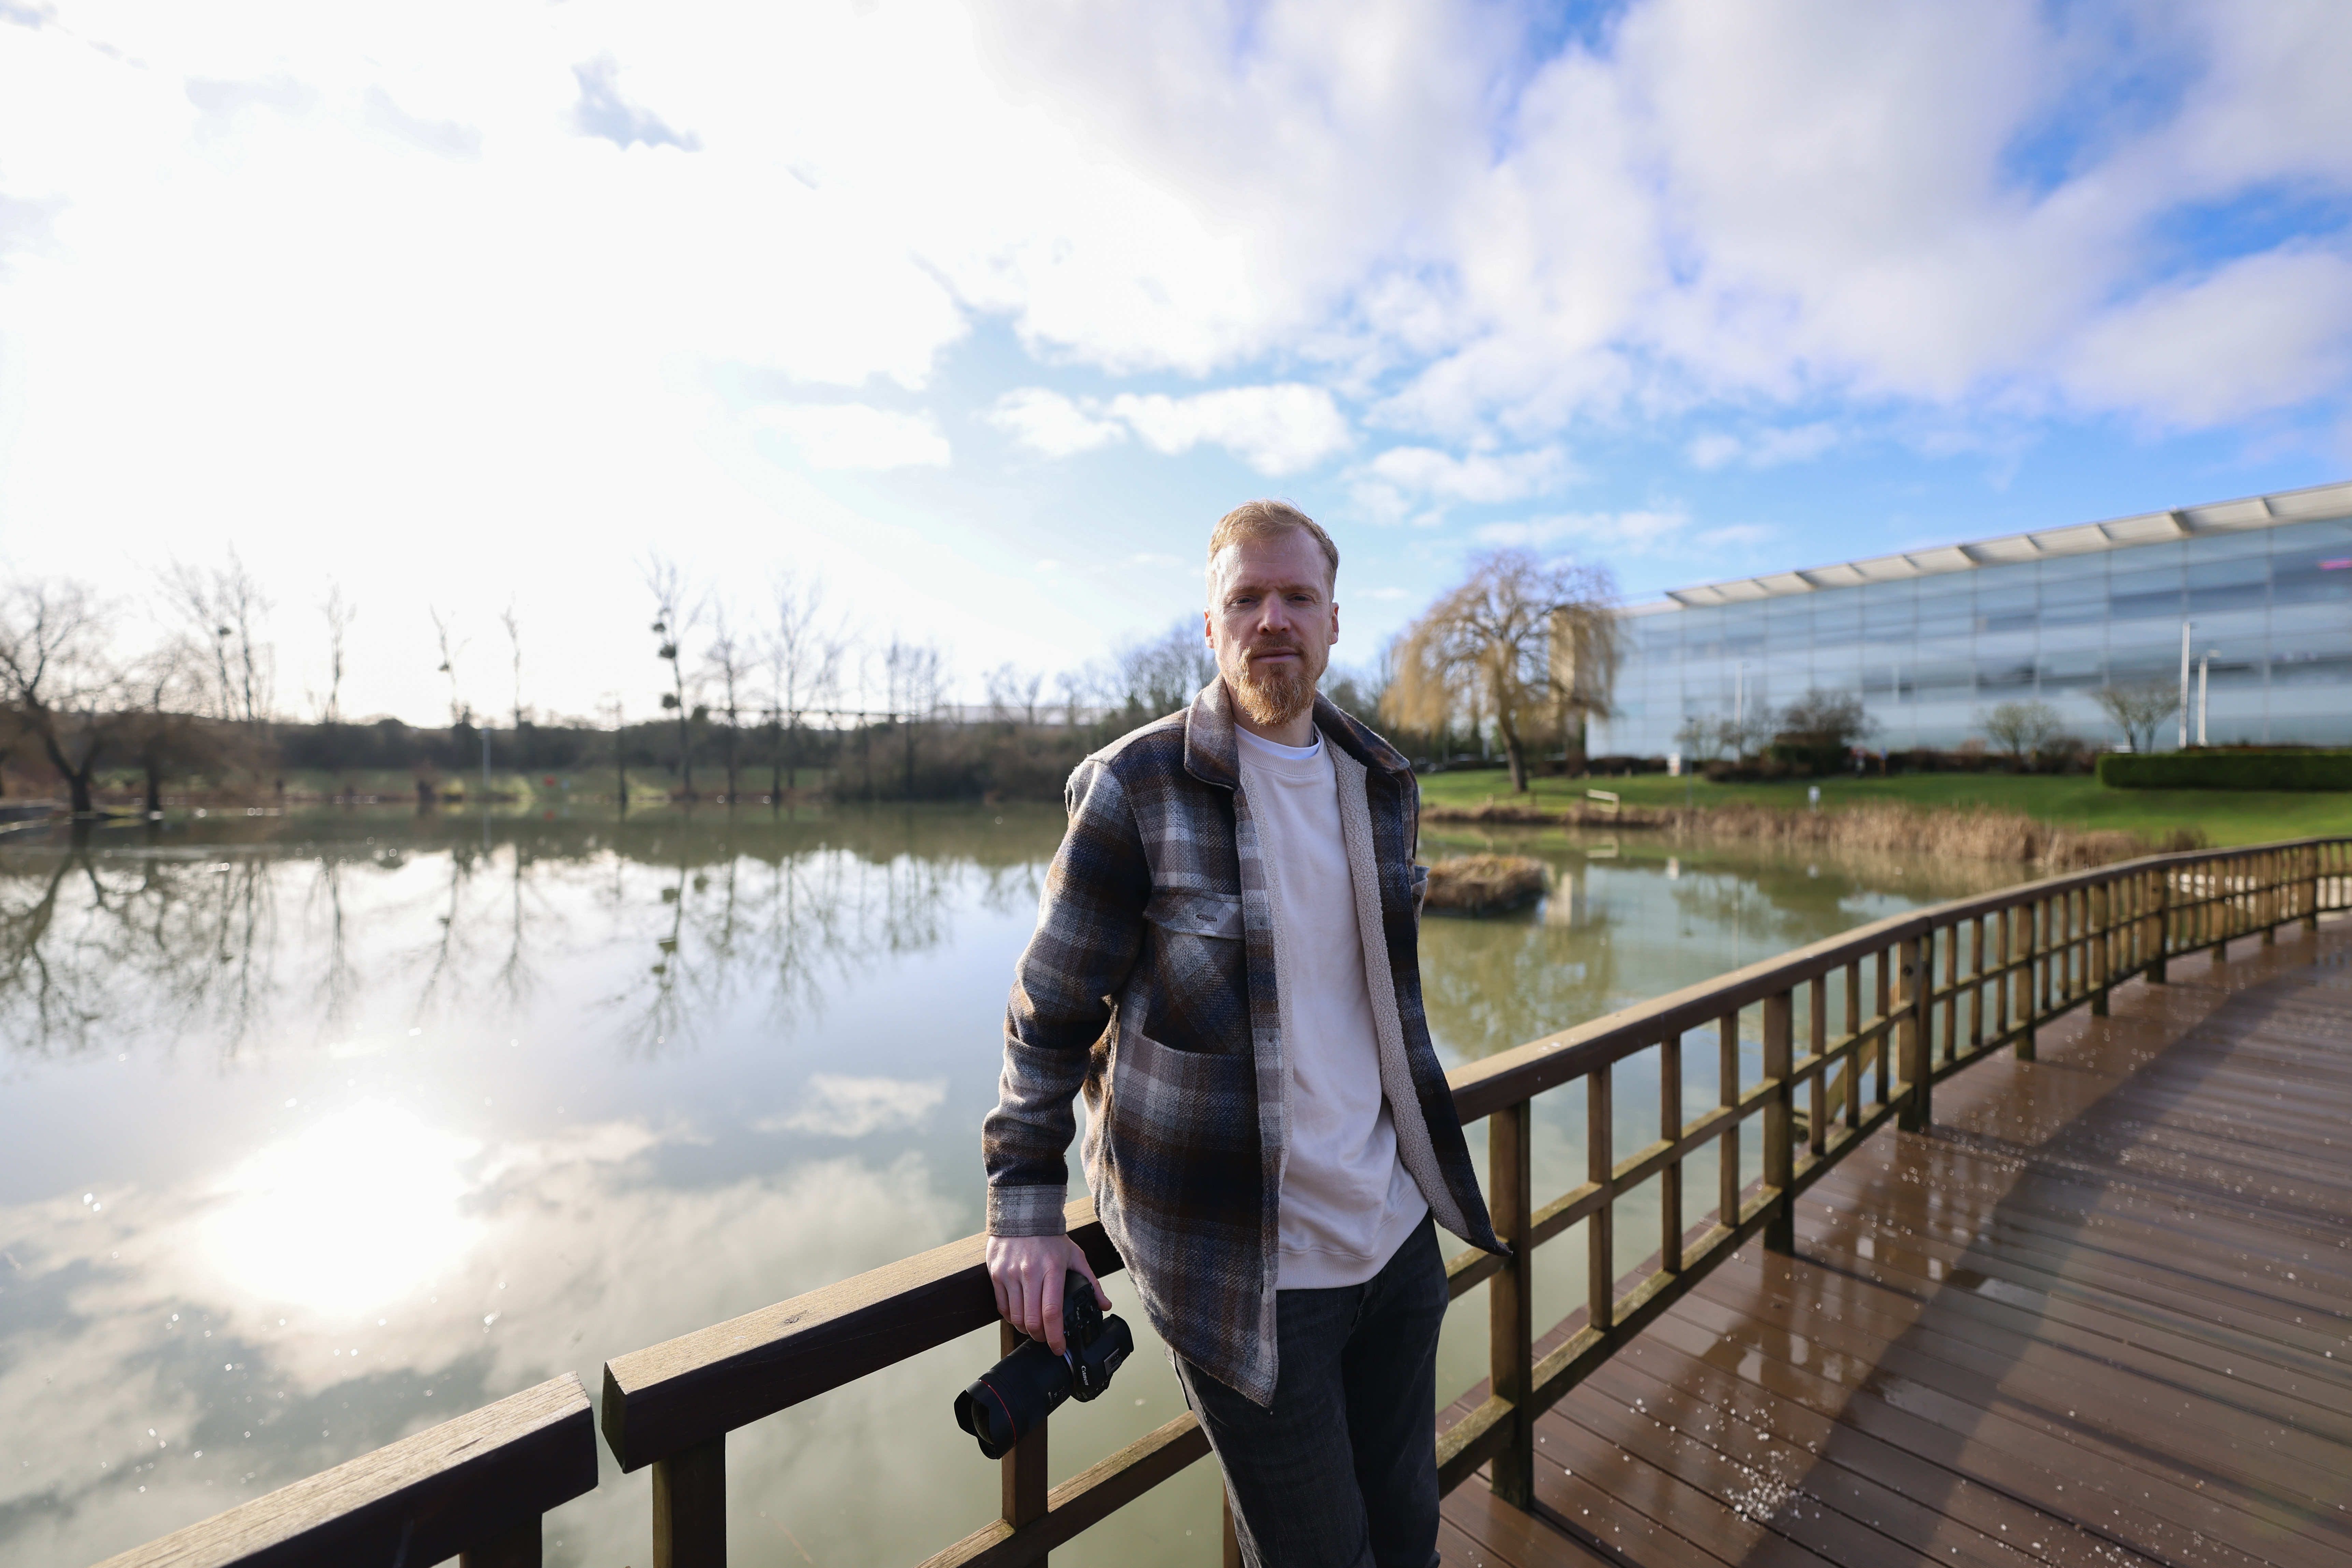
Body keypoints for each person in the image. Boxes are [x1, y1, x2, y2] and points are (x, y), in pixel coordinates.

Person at [982, 500, 1501, 1567]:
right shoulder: (1134, 788)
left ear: (1334, 621)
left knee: (1410, 1536)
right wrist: (1027, 1209)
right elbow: (1049, 1016)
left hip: (1397, 1240)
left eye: (1296, 596)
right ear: (1209, 628)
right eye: (1246, 599)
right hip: (1245, 1274)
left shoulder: (1381, 781)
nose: (1273, 618)